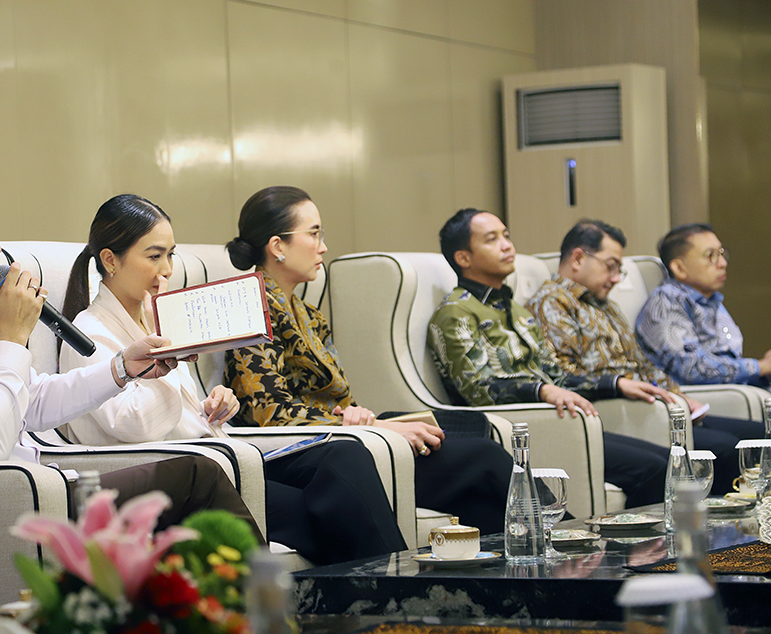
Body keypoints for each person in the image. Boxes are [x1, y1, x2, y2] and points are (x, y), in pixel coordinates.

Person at [0, 171, 261, 534]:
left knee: (194, 503)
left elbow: (32, 401)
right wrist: (12, 338)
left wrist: (122, 368)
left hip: (33, 486)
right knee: (195, 478)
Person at [58, 194, 407, 564]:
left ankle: (397, 582)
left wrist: (215, 404)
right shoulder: (89, 332)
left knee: (342, 455)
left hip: (221, 451)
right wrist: (169, 361)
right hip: (182, 474)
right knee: (328, 510)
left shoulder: (151, 319)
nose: (167, 269)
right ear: (111, 260)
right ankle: (394, 594)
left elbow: (178, 408)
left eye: (171, 255)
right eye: (154, 256)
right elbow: (135, 423)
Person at [223, 186, 515, 535]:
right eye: (314, 234)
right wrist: (373, 427)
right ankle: (562, 541)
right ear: (278, 246)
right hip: (306, 453)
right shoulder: (247, 308)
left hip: (347, 438)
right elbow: (268, 414)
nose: (323, 247)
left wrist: (367, 420)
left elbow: (341, 403)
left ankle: (525, 567)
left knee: (477, 476)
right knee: (482, 460)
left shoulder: (308, 313)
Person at [427, 209, 668, 508]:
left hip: (557, 421)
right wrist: (543, 390)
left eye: (506, 235)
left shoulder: (517, 311)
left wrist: (616, 384)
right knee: (651, 469)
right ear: (464, 258)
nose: (507, 245)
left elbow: (556, 376)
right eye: (492, 239)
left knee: (665, 460)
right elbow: (478, 390)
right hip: (515, 431)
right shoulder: (455, 312)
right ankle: (635, 554)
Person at [525, 219, 762, 495]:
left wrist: (677, 395)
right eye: (611, 266)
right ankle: (721, 532)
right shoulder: (554, 301)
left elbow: (643, 363)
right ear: (578, 258)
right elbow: (561, 373)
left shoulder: (608, 306)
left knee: (754, 436)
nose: (615, 278)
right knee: (721, 448)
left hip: (655, 405)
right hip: (619, 408)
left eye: (619, 270)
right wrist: (619, 383)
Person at [636, 223, 771, 455]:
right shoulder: (667, 302)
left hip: (737, 396)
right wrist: (761, 366)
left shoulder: (711, 301)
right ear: (679, 267)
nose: (722, 263)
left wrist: (769, 373)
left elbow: (726, 362)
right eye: (710, 256)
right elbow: (692, 368)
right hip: (703, 402)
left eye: (722, 254)